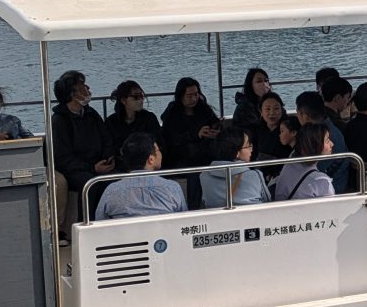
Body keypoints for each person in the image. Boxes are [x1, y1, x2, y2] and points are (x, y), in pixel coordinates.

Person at [50, 70, 114, 237]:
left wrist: (109, 157)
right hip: (75, 169)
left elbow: (106, 139)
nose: (88, 88)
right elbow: (62, 158)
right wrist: (92, 167)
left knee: (117, 179)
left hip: (98, 163)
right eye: (83, 86)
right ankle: (87, 229)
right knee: (89, 184)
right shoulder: (59, 121)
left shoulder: (91, 114)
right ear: (73, 93)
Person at [95, 132, 187, 219]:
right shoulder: (172, 188)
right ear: (151, 159)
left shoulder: (112, 191)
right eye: (158, 150)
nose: (161, 154)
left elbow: (100, 222)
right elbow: (183, 221)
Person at [160, 76, 221, 205]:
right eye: (189, 96)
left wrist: (215, 131)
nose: (194, 99)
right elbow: (172, 139)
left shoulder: (203, 108)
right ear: (180, 96)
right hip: (181, 155)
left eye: (196, 94)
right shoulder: (172, 113)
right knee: (195, 173)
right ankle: (193, 207)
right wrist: (195, 135)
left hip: (205, 151)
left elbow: (215, 122)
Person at [199, 123, 270, 208]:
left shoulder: (204, 175)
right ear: (237, 153)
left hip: (218, 220)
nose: (252, 149)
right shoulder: (254, 175)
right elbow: (267, 201)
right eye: (248, 146)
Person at [297, 88, 353, 191]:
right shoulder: (327, 130)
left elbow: (313, 170)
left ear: (304, 116)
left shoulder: (322, 137)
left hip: (331, 187)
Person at [274, 119, 335, 201]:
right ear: (315, 145)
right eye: (327, 141)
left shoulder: (290, 164)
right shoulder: (321, 181)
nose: (332, 144)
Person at [105, 80, 162, 161]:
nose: (141, 100)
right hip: (121, 163)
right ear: (123, 100)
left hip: (146, 162)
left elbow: (159, 142)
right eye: (135, 97)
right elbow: (108, 147)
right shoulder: (111, 122)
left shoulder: (149, 118)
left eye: (142, 96)